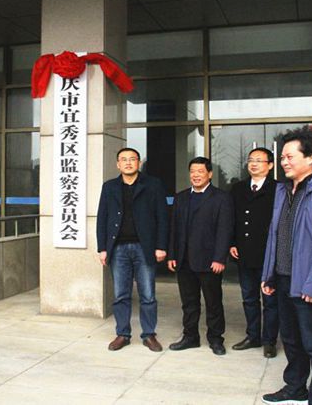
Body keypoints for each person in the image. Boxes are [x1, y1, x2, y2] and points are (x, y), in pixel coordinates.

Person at [260, 132, 312, 405]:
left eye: (290, 156)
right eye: (282, 157)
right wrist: (269, 274)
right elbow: (275, 236)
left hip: (308, 284)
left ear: (310, 158)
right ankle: (295, 388)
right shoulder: (282, 190)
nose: (284, 162)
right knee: (291, 341)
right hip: (284, 279)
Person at [96, 148, 169, 352]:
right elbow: (102, 218)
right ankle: (123, 334)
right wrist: (102, 248)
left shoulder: (153, 185)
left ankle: (149, 335)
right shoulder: (109, 187)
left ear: (139, 163)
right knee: (121, 294)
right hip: (118, 249)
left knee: (148, 294)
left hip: (145, 248)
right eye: (124, 159)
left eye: (132, 159)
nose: (128, 163)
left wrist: (161, 246)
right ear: (118, 164)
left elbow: (163, 217)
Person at [167, 157, 233, 356]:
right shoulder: (181, 197)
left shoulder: (221, 198)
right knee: (189, 303)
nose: (196, 175)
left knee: (213, 302)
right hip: (184, 260)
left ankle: (216, 339)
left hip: (209, 261)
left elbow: (225, 230)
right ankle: (190, 337)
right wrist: (172, 255)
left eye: (200, 171)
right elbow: (174, 229)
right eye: (193, 171)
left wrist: (220, 258)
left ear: (209, 174)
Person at [229, 147, 279, 358]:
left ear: (270, 165)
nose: (254, 164)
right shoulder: (238, 188)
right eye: (251, 160)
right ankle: (253, 336)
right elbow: (232, 218)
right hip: (244, 253)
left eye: (259, 160)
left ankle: (269, 341)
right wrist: (232, 242)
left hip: (269, 254)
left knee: (270, 301)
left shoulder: (278, 189)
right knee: (249, 298)